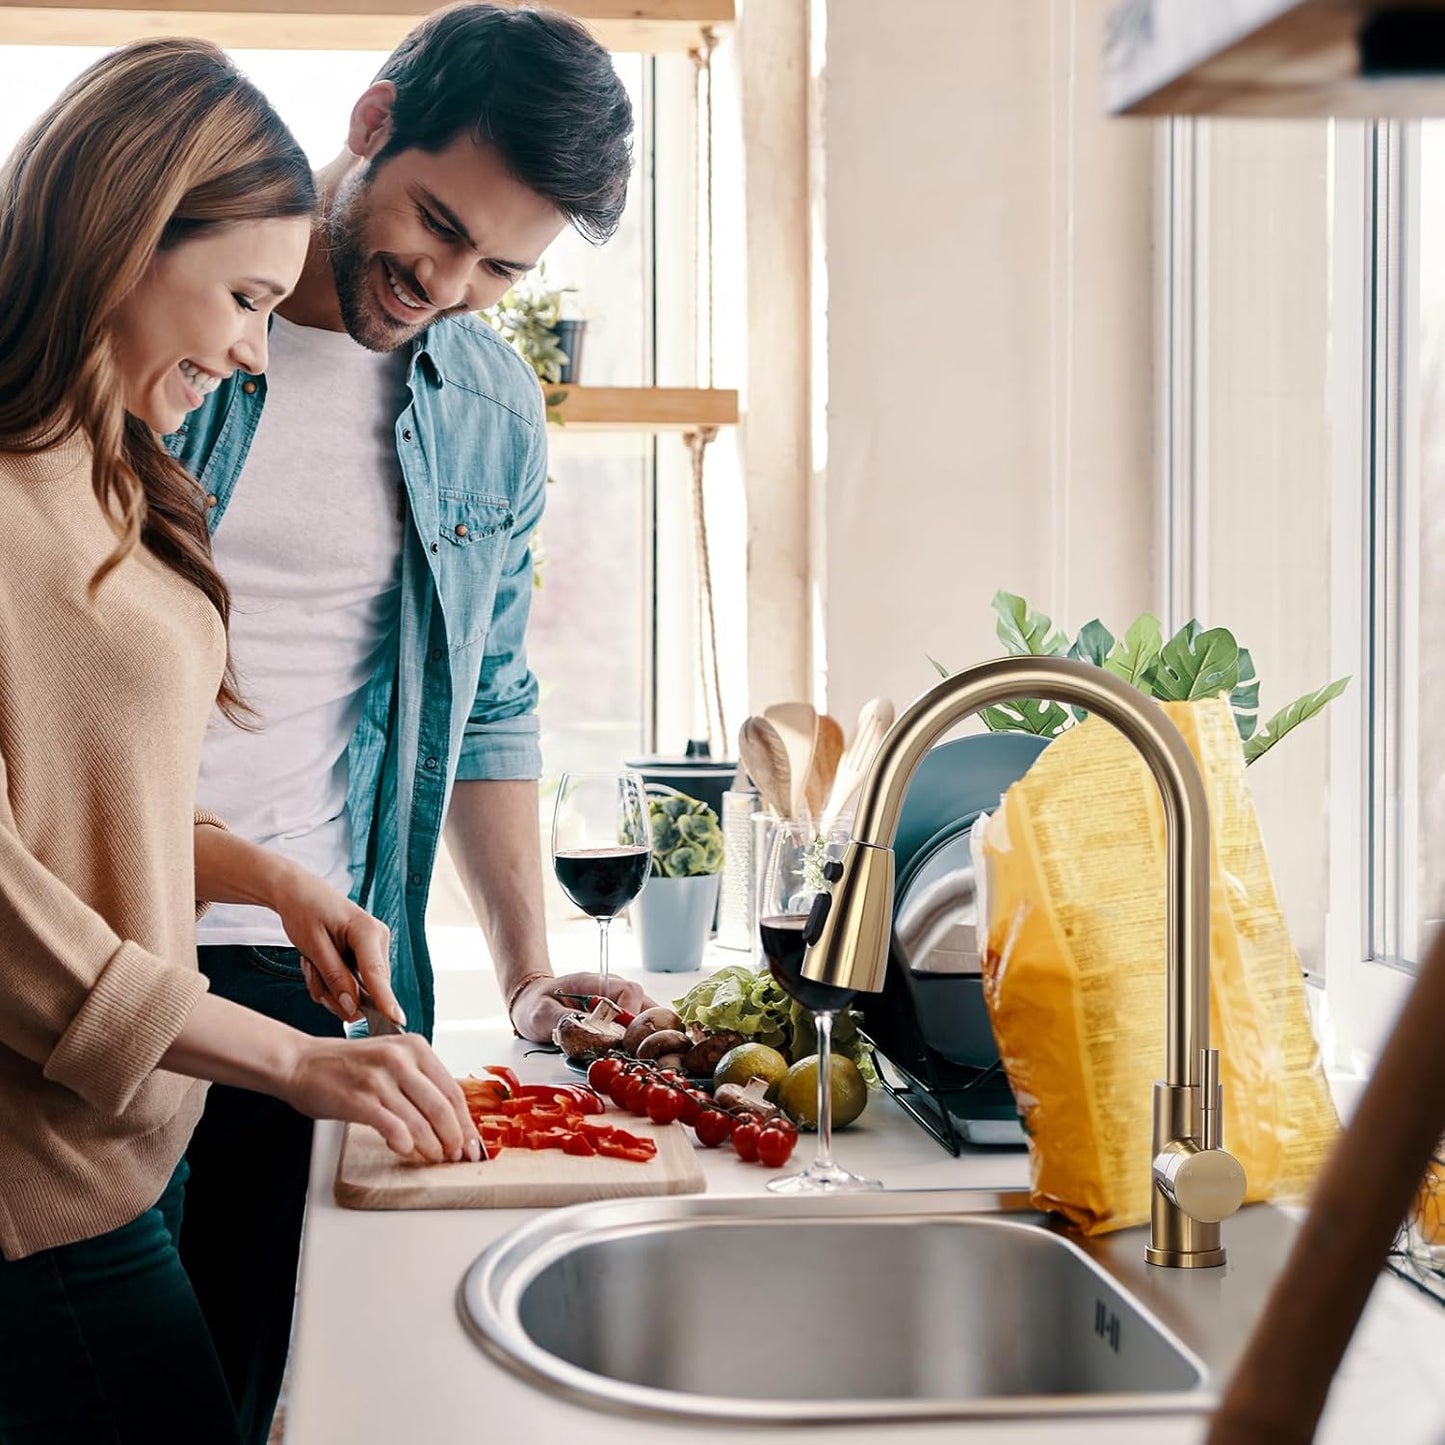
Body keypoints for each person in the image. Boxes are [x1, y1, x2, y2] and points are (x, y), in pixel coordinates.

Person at [166, 5, 647, 1439]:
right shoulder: (166, 324)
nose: (445, 283)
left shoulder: (490, 399)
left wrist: (527, 975)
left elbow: (488, 695)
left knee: (280, 1391)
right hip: (110, 935)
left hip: (333, 977)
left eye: (502, 265)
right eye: (437, 226)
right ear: (371, 121)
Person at [0, 39, 480, 1445]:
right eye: (245, 299)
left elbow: (84, 809)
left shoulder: (119, 478)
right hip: (35, 1198)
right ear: (126, 239)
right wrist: (293, 1062)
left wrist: (272, 877)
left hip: (139, 1148)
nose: (255, 348)